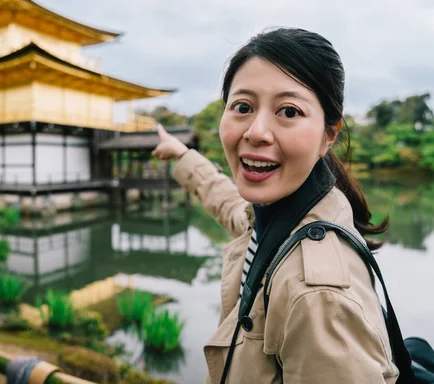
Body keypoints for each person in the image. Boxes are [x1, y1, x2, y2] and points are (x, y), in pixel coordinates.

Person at [152, 28, 398, 383]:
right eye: (242, 107)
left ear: (329, 134)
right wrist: (183, 156)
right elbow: (235, 210)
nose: (257, 131)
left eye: (288, 110)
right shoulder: (286, 217)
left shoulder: (317, 295)